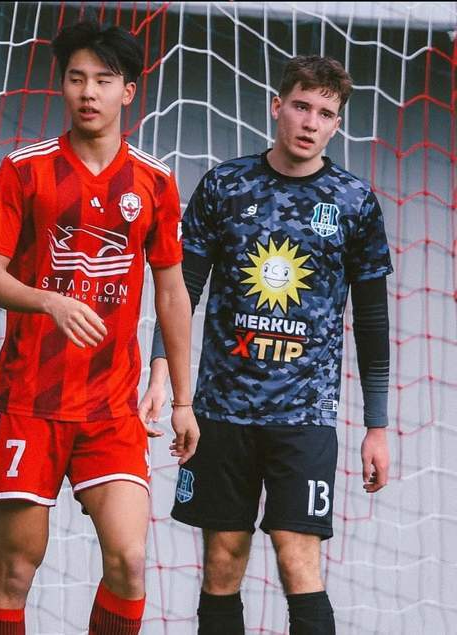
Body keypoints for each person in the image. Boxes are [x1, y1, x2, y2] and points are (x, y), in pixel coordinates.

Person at [139, 55, 392, 634]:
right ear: (277, 106)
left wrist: (376, 427)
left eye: (325, 113)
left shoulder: (353, 202)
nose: (310, 122)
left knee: (297, 559)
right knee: (222, 562)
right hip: (221, 413)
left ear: (336, 124)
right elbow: (182, 293)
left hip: (304, 419)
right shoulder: (226, 186)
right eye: (301, 106)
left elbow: (373, 322)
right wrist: (161, 372)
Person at [0, 19, 199, 635]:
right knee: (14, 571)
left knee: (130, 562)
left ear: (128, 91)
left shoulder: (154, 181)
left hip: (110, 407)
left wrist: (183, 400)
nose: (88, 92)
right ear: (63, 86)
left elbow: (172, 293)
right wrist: (49, 302)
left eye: (103, 79)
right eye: (76, 78)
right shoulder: (25, 169)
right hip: (29, 402)